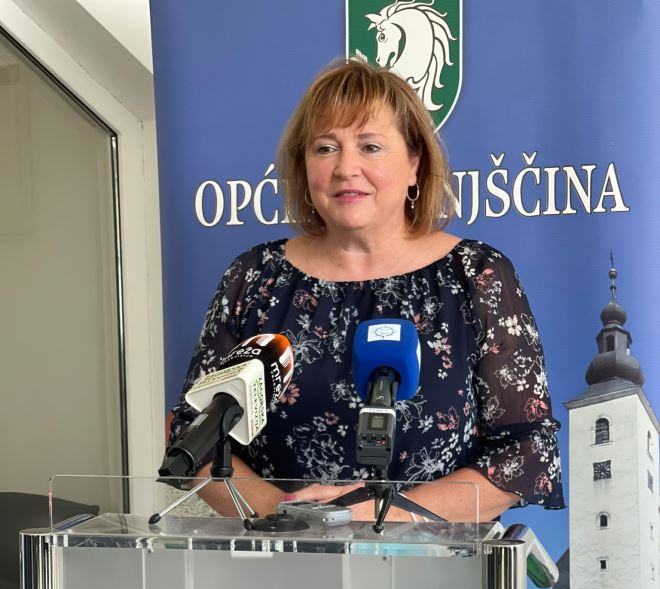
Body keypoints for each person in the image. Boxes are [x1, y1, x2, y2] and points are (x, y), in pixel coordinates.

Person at [167, 59, 564, 522]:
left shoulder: (477, 275)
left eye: (370, 146)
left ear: (414, 163)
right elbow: (193, 434)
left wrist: (382, 515)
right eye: (325, 148)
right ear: (304, 168)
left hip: (436, 562)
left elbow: (527, 453)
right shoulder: (255, 278)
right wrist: (288, 516)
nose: (345, 168)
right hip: (283, 554)